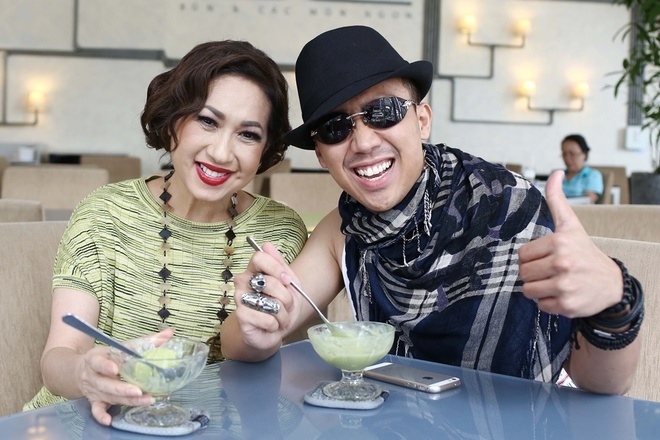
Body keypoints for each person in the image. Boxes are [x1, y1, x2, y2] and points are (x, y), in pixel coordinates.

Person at [222, 26, 643, 397]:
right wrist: (260, 323)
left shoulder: (511, 210)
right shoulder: (344, 231)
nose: (364, 142)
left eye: (383, 112)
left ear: (422, 120)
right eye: (335, 128)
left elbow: (606, 385)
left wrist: (616, 297)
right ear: (321, 155)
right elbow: (248, 337)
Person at [25, 40, 308, 425]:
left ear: (265, 150)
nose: (221, 153)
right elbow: (58, 357)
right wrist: (85, 373)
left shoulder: (279, 232)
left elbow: (269, 359)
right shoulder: (105, 213)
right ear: (174, 119)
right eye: (207, 121)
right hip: (86, 424)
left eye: (248, 134)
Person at [561, 134, 604, 203]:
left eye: (572, 154)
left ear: (585, 154)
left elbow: (588, 200)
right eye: (564, 154)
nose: (567, 158)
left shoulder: (593, 175)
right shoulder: (559, 175)